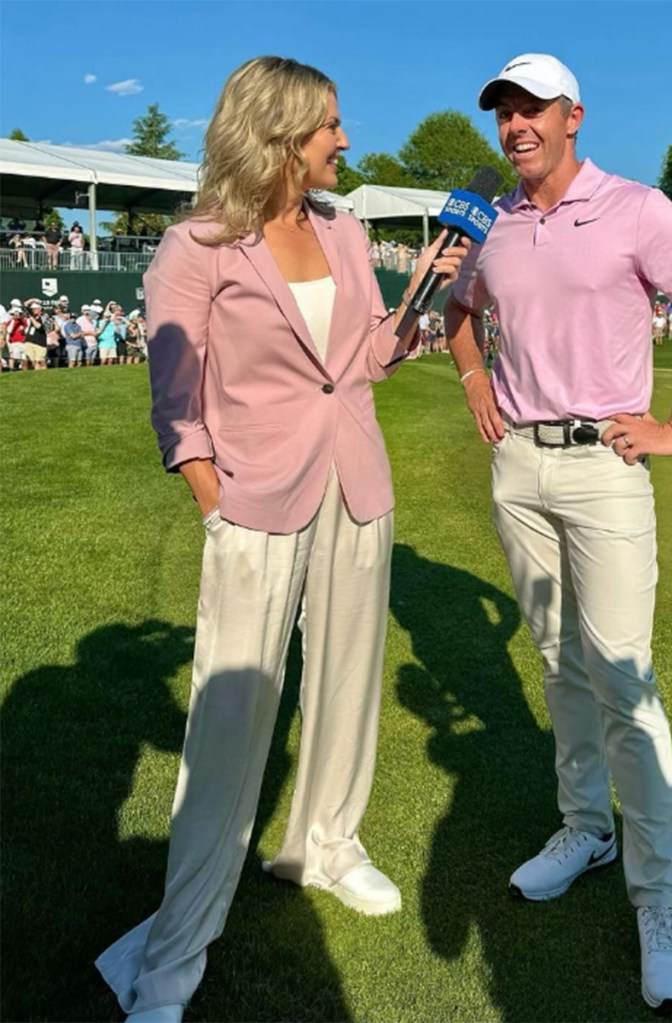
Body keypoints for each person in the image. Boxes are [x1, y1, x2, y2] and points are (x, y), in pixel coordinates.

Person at [94, 55, 468, 1023]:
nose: (345, 140)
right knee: (230, 724)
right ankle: (173, 957)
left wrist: (419, 300)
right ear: (278, 133)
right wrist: (216, 503)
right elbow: (175, 407)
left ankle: (325, 845)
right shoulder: (196, 248)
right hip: (253, 505)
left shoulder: (343, 231)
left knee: (347, 682)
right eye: (330, 126)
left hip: (358, 485)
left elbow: (362, 362)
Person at [445, 53, 672, 1013]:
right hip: (520, 469)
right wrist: (471, 381)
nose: (516, 125)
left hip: (606, 468)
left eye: (532, 108)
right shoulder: (494, 221)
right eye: (504, 111)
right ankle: (586, 829)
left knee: (621, 673)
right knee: (558, 664)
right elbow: (461, 313)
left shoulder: (635, 208)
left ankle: (659, 900)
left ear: (573, 115)